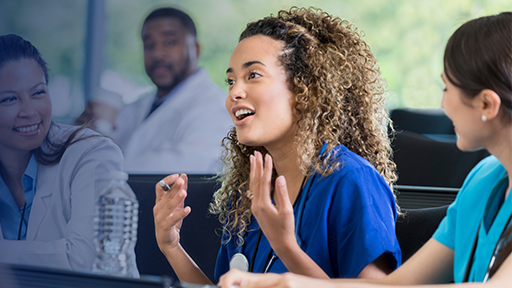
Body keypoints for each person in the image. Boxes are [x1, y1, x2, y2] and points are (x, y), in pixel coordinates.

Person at [218, 11, 512, 288]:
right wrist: (291, 281)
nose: (442, 105)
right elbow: (392, 287)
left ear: (487, 104)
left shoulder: (348, 177)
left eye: (448, 89)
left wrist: (289, 259)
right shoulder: (483, 181)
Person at [154, 7, 402, 285]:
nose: (234, 92)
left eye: (253, 75)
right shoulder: (250, 191)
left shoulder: (352, 180)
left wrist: (286, 247)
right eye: (231, 80)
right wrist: (171, 246)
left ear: (304, 90)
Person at [0, 34, 138, 277]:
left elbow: (86, 260)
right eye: (10, 99)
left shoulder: (93, 153)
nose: (30, 111)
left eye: (38, 93)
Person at [76, 7, 232, 174]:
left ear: (195, 49)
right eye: (149, 45)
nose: (157, 54)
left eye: (170, 42)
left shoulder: (215, 108)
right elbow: (97, 152)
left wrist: (98, 164)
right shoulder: (136, 107)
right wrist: (81, 135)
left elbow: (180, 168)